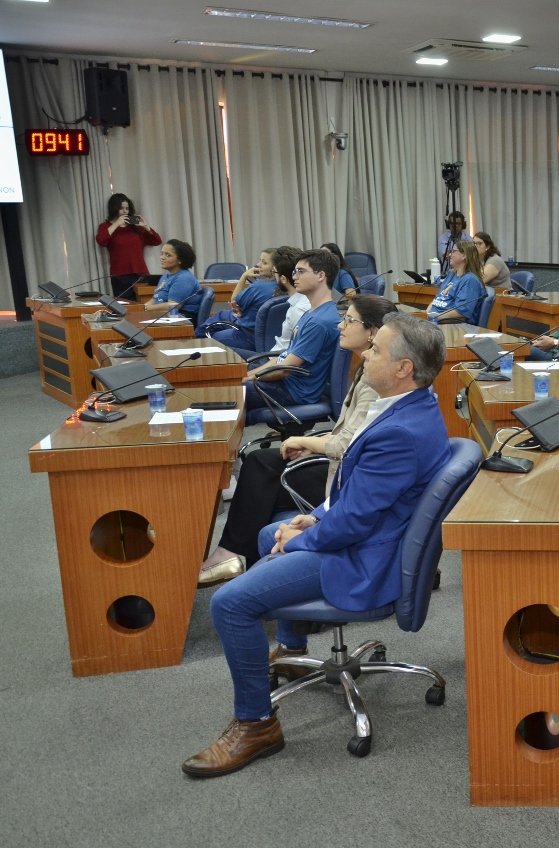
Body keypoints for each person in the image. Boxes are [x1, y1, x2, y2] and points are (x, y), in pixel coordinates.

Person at [182, 314, 451, 778]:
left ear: (404, 368)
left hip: (366, 560)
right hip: (368, 537)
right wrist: (316, 517)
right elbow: (361, 497)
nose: (365, 354)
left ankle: (256, 725)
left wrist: (307, 536)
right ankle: (290, 650)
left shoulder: (400, 432)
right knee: (269, 534)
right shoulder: (409, 406)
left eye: (376, 350)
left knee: (229, 604)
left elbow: (359, 519)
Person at [197, 294, 398, 585]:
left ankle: (234, 558)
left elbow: (346, 445)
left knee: (261, 469)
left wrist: (308, 443)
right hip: (343, 461)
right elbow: (349, 432)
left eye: (349, 321)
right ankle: (246, 564)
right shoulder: (365, 368)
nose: (340, 326)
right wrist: (311, 445)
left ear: (372, 332)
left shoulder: (375, 378)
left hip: (347, 477)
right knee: (261, 470)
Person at [242, 248, 340, 410]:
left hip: (294, 391)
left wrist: (247, 379)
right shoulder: (312, 312)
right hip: (287, 383)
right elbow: (284, 357)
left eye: (301, 271)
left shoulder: (319, 321)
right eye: (295, 272)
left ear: (321, 276)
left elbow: (283, 370)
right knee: (231, 376)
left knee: (229, 390)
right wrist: (247, 375)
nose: (294, 277)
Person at [200, 248, 279, 350]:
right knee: (222, 314)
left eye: (264, 263)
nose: (258, 265)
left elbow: (234, 302)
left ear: (275, 268)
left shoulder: (259, 286)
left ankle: (197, 343)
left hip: (248, 335)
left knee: (211, 333)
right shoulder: (287, 287)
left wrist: (244, 276)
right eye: (260, 261)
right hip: (268, 336)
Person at [96, 192, 163, 297]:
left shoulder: (135, 227)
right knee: (124, 305)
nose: (125, 211)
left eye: (127, 208)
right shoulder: (105, 226)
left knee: (144, 304)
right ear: (114, 208)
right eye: (121, 208)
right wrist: (116, 224)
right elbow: (101, 241)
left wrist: (146, 227)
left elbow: (157, 241)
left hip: (141, 274)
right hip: (120, 276)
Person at [428, 241, 485, 324]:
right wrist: (426, 314)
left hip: (452, 325)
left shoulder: (470, 280)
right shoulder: (451, 274)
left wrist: (434, 317)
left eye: (453, 251)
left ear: (464, 255)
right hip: (435, 321)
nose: (450, 255)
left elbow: (460, 313)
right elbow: (437, 299)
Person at [145, 239, 202, 321]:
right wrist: (140, 308)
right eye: (162, 254)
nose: (162, 257)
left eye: (168, 255)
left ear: (180, 260)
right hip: (165, 315)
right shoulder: (166, 276)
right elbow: (154, 300)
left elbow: (173, 306)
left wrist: (146, 308)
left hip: (183, 318)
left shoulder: (184, 278)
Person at [271, 246, 308, 354]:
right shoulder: (299, 302)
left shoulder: (298, 310)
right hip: (276, 356)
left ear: (283, 279)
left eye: (274, 272)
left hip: (278, 360)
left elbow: (297, 353)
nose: (274, 277)